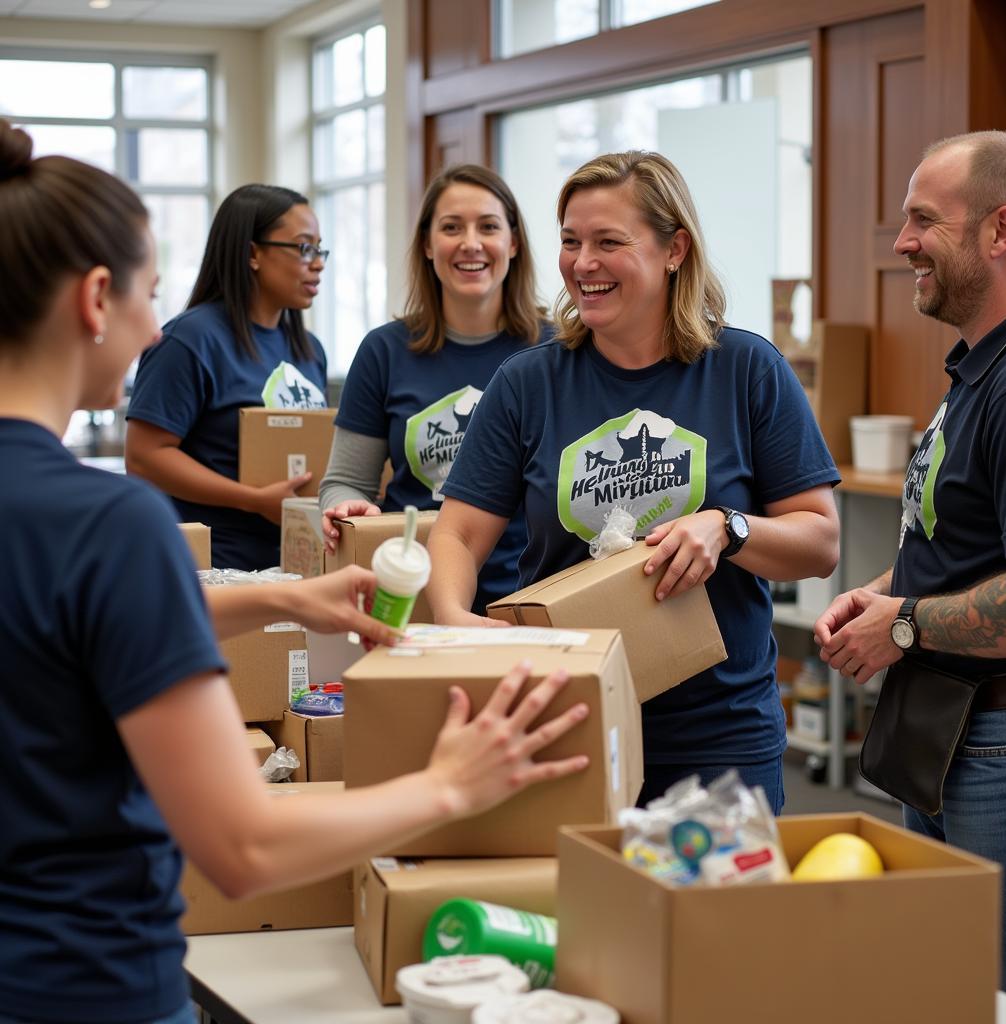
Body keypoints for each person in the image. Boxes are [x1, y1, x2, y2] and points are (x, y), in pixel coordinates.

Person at [0, 120, 590, 1024]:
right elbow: (240, 845)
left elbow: (49, 632)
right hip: (80, 981)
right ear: (93, 300)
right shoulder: (109, 525)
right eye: (148, 297)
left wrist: (279, 595)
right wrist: (449, 787)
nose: (157, 328)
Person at [427, 150, 840, 810]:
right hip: (566, 719)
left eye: (607, 242)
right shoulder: (527, 384)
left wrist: (728, 529)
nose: (582, 263)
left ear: (674, 248)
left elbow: (819, 543)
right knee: (579, 915)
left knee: (710, 917)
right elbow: (459, 533)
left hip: (720, 737)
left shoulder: (746, 370)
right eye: (569, 241)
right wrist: (452, 617)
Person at [813, 130, 1006, 997]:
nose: (901, 243)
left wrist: (899, 623)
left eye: (923, 221)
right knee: (944, 980)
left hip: (1000, 744)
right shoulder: (978, 373)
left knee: (994, 990)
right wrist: (882, 592)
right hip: (947, 734)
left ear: (1000, 231)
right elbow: (960, 545)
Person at [319, 164, 547, 614]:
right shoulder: (384, 350)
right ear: (427, 244)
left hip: (534, 598)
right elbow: (345, 481)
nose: (470, 243)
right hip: (413, 597)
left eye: (488, 227)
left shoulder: (558, 350)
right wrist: (347, 508)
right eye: (451, 228)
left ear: (513, 243)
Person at [125, 183, 330, 571]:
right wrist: (252, 498)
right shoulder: (189, 341)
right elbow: (144, 457)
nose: (317, 262)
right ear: (253, 253)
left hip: (295, 565)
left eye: (320, 248)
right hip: (212, 568)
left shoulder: (309, 349)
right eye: (304, 247)